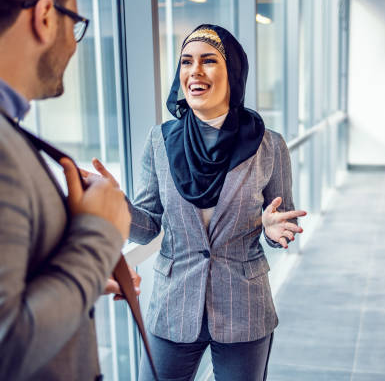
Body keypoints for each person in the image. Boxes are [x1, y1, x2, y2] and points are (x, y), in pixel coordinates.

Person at [92, 24, 306, 380]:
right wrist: (116, 205)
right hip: (173, 304)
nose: (195, 71)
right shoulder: (160, 141)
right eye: (186, 62)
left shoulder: (269, 145)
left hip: (244, 307)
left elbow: (281, 223)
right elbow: (147, 228)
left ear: (233, 72)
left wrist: (272, 229)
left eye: (209, 60)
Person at [0, 0, 133, 380]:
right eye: (74, 23)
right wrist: (98, 235)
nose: (75, 45)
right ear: (45, 16)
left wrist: (81, 281)